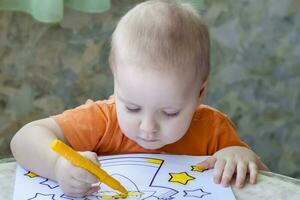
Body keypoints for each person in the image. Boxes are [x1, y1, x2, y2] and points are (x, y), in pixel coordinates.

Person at [10, 0, 268, 197]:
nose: (148, 127)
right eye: (132, 107)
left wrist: (239, 154)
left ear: (200, 93)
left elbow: (264, 183)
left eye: (169, 113)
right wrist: (58, 166)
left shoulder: (213, 129)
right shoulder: (102, 120)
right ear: (115, 80)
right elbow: (24, 139)